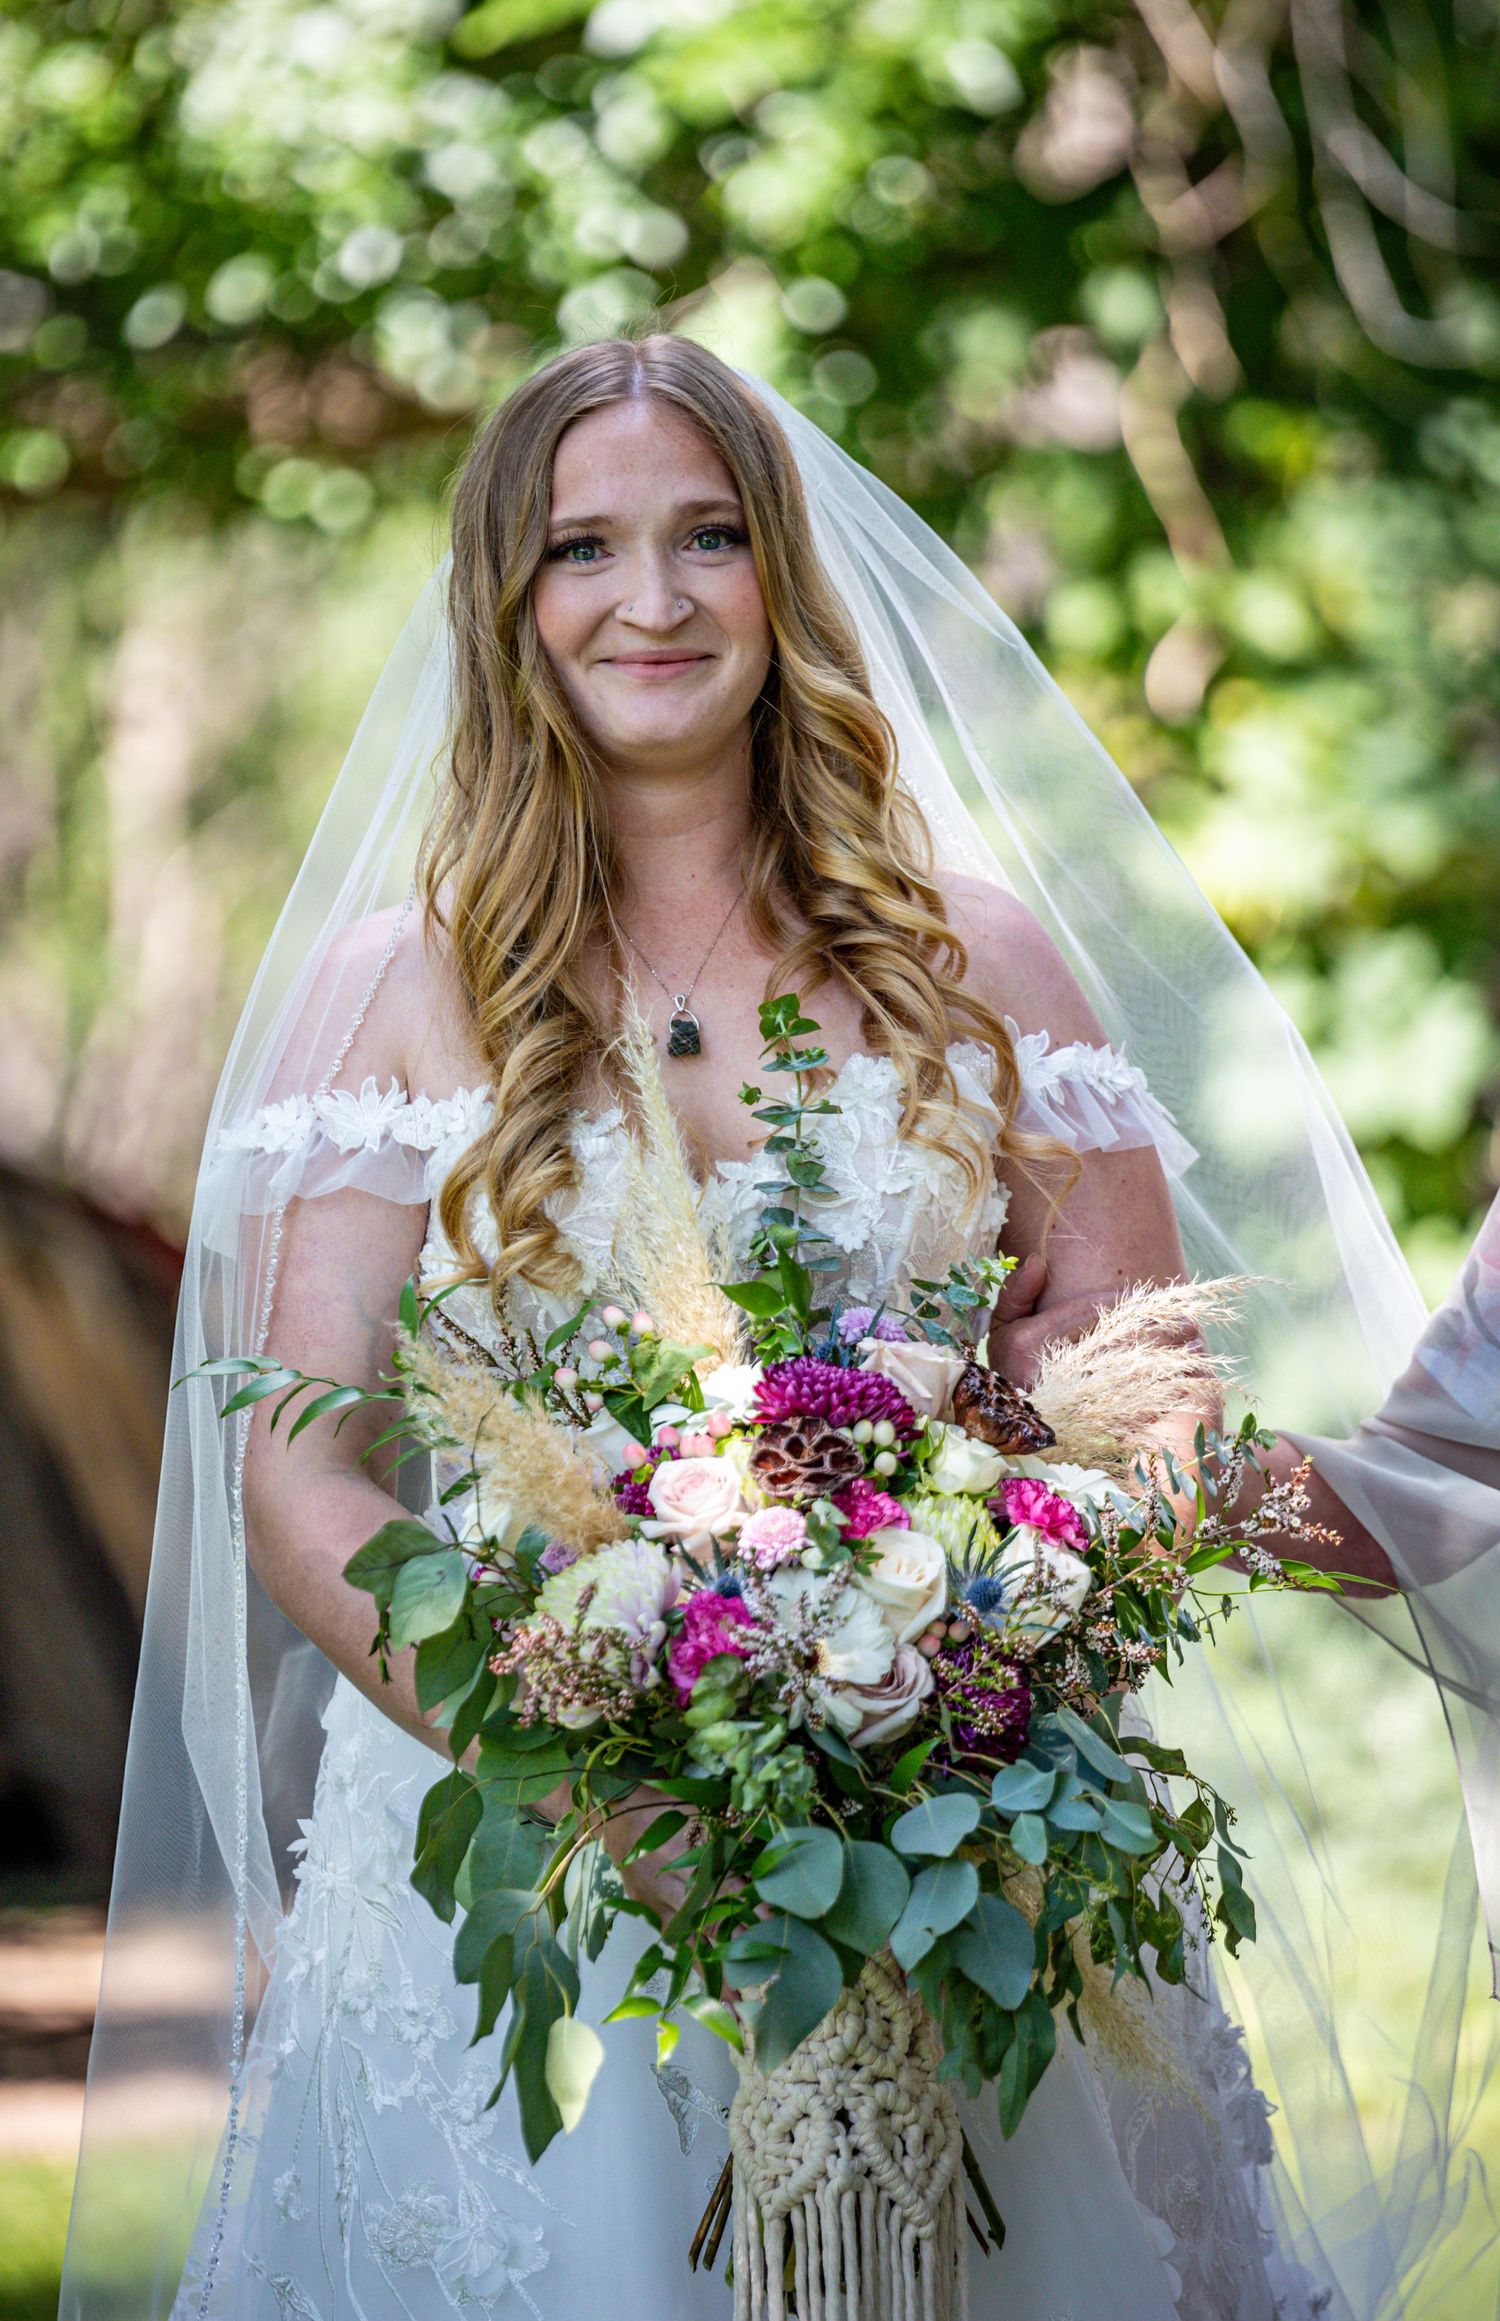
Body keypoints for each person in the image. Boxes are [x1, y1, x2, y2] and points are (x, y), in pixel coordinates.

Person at [61, 334, 1498, 2321]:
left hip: (968, 1841)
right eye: (584, 547)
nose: (651, 600)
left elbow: (1132, 1387)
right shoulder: (401, 987)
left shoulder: (973, 958)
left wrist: (1003, 1609)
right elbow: (302, 1469)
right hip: (526, 1837)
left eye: (709, 537)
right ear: (509, 599)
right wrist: (580, 1780)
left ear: (782, 577)